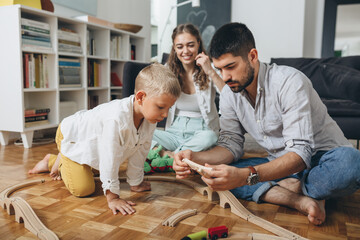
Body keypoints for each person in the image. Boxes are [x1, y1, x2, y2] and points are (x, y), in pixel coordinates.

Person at [173, 22, 360, 225]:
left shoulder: (289, 82)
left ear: (252, 56)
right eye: (219, 69)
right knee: (215, 174)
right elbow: (230, 145)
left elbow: (300, 155)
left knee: (350, 165)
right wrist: (196, 158)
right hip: (279, 165)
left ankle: (293, 187)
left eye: (230, 67)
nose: (225, 78)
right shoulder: (229, 93)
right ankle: (301, 199)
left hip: (323, 160)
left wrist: (246, 177)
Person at [28, 63, 181, 215]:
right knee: (84, 189)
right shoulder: (115, 119)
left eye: (169, 108)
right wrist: (113, 198)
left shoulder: (150, 118)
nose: (165, 114)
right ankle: (60, 157)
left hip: (94, 143)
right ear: (141, 97)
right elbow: (109, 158)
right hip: (71, 135)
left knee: (101, 169)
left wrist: (136, 182)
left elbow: (140, 150)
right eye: (161, 107)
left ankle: (61, 159)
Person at [151, 23, 225, 159]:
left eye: (190, 45)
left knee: (211, 137)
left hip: (202, 131)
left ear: (198, 44)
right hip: (174, 131)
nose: (185, 51)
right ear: (174, 48)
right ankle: (175, 155)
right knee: (144, 133)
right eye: (180, 47)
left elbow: (229, 96)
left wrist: (210, 71)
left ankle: (168, 155)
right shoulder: (168, 69)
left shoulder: (210, 67)